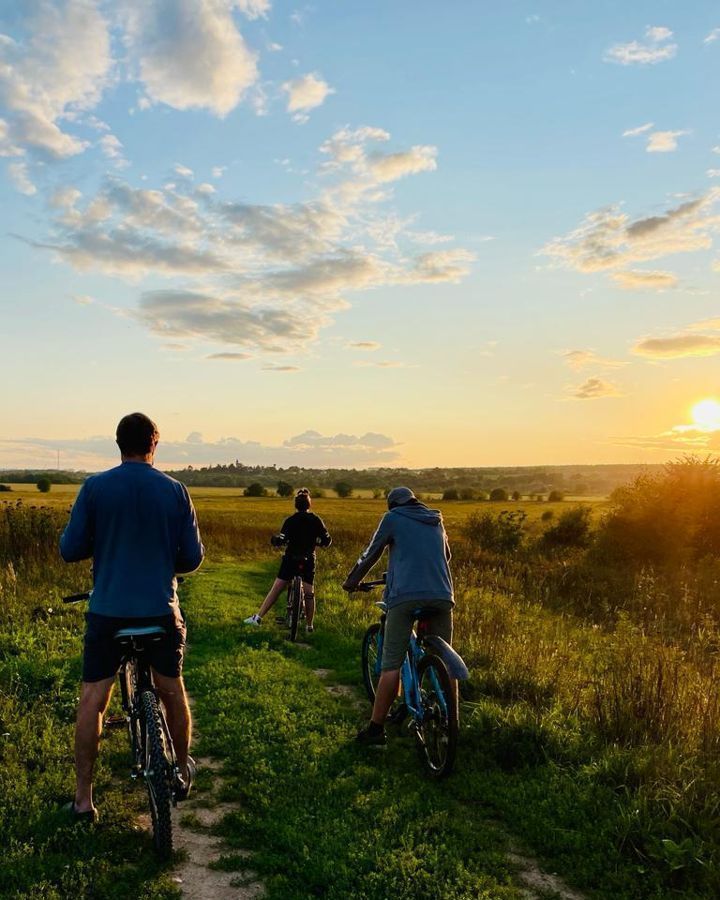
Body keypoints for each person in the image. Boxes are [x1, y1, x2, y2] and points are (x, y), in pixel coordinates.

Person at [59, 412, 204, 822]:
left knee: (93, 702)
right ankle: (180, 768)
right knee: (171, 689)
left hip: (108, 612)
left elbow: (70, 550)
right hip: (160, 611)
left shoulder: (95, 488)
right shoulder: (175, 491)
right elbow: (191, 559)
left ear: (118, 444)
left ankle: (84, 799)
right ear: (154, 445)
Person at [342, 486, 454, 746]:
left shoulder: (392, 518)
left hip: (405, 596)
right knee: (445, 661)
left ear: (393, 505)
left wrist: (351, 582)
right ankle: (450, 720)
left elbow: (371, 553)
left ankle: (376, 729)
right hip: (442, 596)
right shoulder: (436, 519)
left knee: (390, 664)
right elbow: (446, 556)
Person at [244, 488, 331, 632]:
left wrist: (276, 541)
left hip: (291, 559)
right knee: (309, 593)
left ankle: (258, 618)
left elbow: (281, 539)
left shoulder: (290, 521)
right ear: (309, 505)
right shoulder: (316, 520)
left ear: (296, 505)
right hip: (308, 559)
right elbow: (327, 540)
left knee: (277, 587)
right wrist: (319, 542)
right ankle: (310, 626)